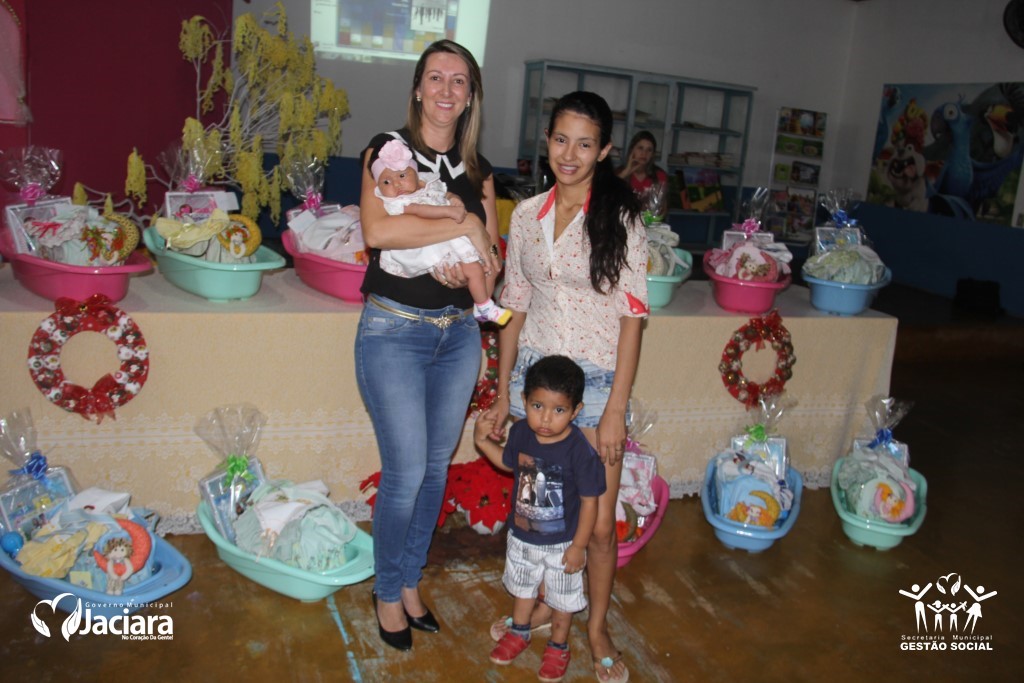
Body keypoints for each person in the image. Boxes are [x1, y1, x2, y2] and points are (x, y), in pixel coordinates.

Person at [484, 91, 648, 683]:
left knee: (598, 525)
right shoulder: (526, 216)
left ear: (604, 151)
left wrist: (615, 409)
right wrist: (503, 390)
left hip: (597, 388)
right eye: (560, 140)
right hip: (537, 386)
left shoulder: (622, 221)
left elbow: (633, 318)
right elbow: (515, 305)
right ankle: (534, 612)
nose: (570, 154)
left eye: (584, 144)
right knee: (539, 512)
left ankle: (595, 627)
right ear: (547, 142)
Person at [355, 38, 502, 652]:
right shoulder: (387, 149)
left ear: (470, 97)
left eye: (459, 80)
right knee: (407, 470)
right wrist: (462, 224)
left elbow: (492, 261)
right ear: (418, 88)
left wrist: (474, 254)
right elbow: (377, 230)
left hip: (459, 336)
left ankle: (411, 580)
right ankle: (387, 591)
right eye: (435, 77)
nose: (446, 89)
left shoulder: (480, 173)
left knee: (436, 469)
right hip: (394, 331)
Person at [474, 355, 606, 683]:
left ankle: (559, 645)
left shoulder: (580, 451)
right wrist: (480, 442)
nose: (546, 418)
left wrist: (579, 546)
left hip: (563, 544)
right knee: (523, 589)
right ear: (524, 400)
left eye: (558, 410)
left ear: (575, 411)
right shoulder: (520, 432)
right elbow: (509, 464)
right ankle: (519, 632)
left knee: (563, 599)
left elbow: (590, 503)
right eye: (537, 406)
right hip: (522, 536)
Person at [370, 138, 511, 325]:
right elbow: (421, 211)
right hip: (428, 254)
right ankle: (484, 306)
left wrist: (453, 198)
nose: (396, 184)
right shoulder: (401, 201)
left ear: (415, 173)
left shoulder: (437, 180)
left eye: (402, 175)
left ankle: (483, 305)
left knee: (475, 269)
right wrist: (452, 214)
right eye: (387, 182)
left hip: (459, 309)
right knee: (471, 269)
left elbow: (492, 246)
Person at [616, 130, 668, 196]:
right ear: (632, 150)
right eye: (640, 148)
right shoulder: (619, 173)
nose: (644, 153)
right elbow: (607, 194)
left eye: (649, 150)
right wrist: (625, 173)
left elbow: (663, 201)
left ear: (652, 154)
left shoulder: (659, 175)